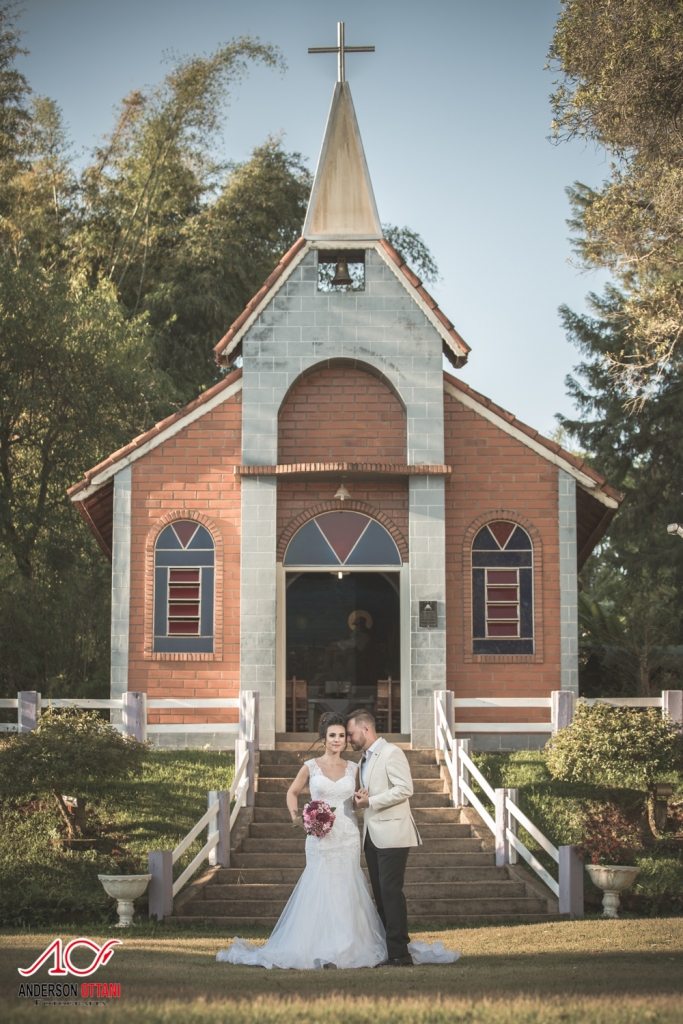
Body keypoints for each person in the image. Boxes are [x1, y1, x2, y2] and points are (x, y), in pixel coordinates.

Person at [216, 712, 386, 969]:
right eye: (333, 735)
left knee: (346, 884)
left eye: (342, 736)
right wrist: (297, 817)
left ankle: (347, 944)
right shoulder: (310, 766)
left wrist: (360, 799)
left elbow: (356, 802)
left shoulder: (354, 768)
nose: (338, 740)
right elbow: (292, 792)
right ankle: (314, 945)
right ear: (323, 738)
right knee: (319, 883)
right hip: (319, 836)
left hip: (347, 835)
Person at [346, 709, 421, 966]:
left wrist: (371, 801)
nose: (348, 739)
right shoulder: (363, 761)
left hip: (393, 833)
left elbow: (405, 788)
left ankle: (400, 953)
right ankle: (388, 949)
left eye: (351, 734)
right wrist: (361, 798)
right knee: (380, 895)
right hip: (371, 835)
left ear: (365, 729)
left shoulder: (391, 752)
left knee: (390, 893)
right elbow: (370, 793)